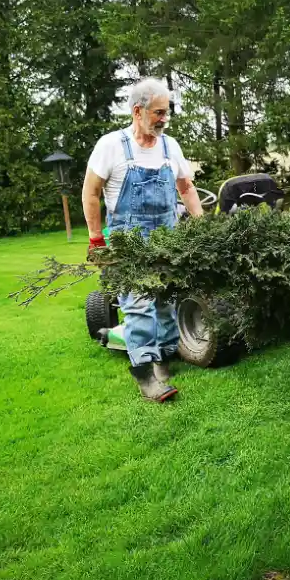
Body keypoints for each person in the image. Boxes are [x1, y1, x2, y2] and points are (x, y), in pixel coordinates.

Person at [81, 78, 204, 403]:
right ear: (138, 111)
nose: (165, 119)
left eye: (167, 112)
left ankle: (162, 357)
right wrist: (97, 239)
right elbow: (90, 193)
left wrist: (203, 228)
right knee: (139, 307)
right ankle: (145, 372)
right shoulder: (111, 146)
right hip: (129, 245)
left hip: (167, 241)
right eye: (159, 112)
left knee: (166, 303)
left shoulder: (169, 147)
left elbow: (187, 188)